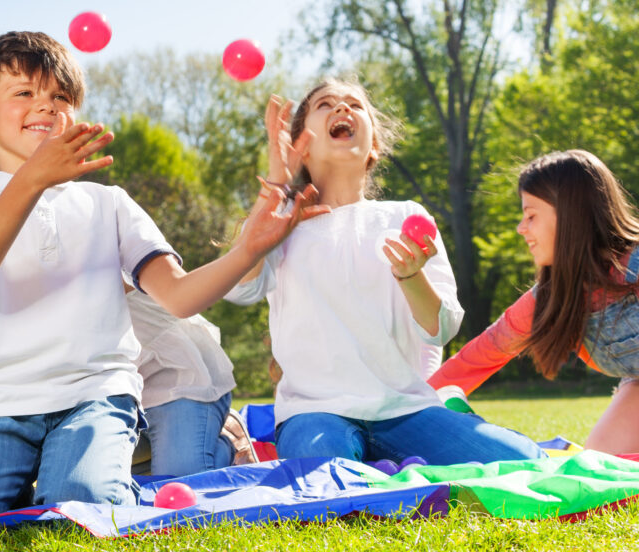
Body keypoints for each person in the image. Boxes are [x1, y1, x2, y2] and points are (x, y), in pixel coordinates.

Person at [0, 31, 311, 523]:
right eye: (24, 92)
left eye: (60, 97)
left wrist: (249, 248)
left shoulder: (109, 203)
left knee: (81, 509)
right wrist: (33, 178)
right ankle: (32, 474)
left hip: (93, 396)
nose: (46, 105)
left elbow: (179, 297)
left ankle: (125, 462)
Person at [225, 78, 544, 465]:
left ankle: (419, 437)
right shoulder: (281, 223)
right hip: (314, 413)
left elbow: (440, 328)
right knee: (323, 478)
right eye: (325, 104)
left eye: (355, 105)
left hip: (406, 411)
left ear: (374, 144)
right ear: (301, 148)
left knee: (523, 462)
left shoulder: (406, 216)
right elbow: (240, 288)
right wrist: (276, 185)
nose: (343, 108)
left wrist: (411, 276)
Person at [430, 150, 639, 455]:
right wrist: (412, 406)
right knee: (603, 460)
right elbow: (477, 358)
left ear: (570, 215)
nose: (521, 228)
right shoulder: (551, 297)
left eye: (531, 216)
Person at [127, 286, 255, 476]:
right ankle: (157, 460)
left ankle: (229, 444)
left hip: (177, 382)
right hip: (120, 396)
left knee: (180, 480)